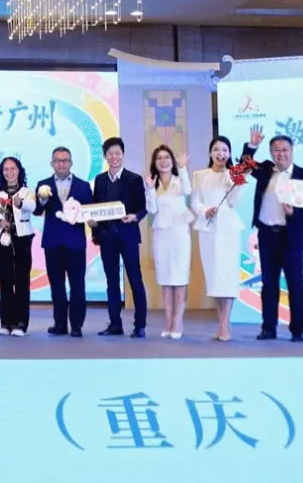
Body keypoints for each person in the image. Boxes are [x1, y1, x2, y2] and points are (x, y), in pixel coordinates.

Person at [238, 129, 303, 342]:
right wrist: (252, 145)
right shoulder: (265, 170)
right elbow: (243, 165)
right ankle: (268, 328)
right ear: (270, 152)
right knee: (269, 285)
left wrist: (296, 211)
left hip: (292, 237)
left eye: (285, 149)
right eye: (276, 150)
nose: (281, 154)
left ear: (292, 151)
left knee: (295, 284)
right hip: (267, 235)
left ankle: (297, 330)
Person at [187, 137, 249, 342]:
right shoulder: (200, 175)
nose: (220, 153)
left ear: (229, 154)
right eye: (216, 149)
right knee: (214, 276)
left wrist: (238, 183)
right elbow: (195, 201)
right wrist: (204, 210)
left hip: (228, 229)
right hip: (208, 228)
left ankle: (224, 324)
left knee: (227, 276)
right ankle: (222, 321)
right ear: (210, 153)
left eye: (224, 150)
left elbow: (233, 203)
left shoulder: (233, 174)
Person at [91, 136, 149, 337]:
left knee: (135, 279)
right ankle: (115, 324)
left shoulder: (134, 179)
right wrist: (94, 228)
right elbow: (95, 208)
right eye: (110, 153)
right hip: (107, 238)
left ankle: (140, 325)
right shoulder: (100, 180)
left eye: (118, 153)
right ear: (105, 156)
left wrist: (134, 216)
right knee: (111, 282)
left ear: (123, 155)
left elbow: (143, 208)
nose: (114, 157)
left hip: (128, 236)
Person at [37, 145, 92, 337]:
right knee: (56, 285)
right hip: (52, 243)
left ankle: (76, 325)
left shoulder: (83, 186)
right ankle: (60, 324)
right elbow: (37, 210)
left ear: (71, 163)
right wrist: (42, 201)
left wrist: (93, 223)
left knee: (77, 285)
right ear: (52, 163)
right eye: (58, 160)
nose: (61, 163)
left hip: (75, 243)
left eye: (65, 160)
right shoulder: (43, 185)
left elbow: (90, 212)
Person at [148, 144, 192, 339]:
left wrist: (182, 168)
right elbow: (151, 210)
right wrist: (150, 189)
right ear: (154, 163)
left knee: (180, 279)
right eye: (159, 158)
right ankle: (168, 321)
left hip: (180, 233)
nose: (163, 161)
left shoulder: (179, 179)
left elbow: (188, 190)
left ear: (172, 161)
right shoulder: (153, 182)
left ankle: (178, 321)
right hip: (161, 234)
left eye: (167, 157)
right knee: (165, 279)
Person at [0, 157, 36, 336]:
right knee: (5, 281)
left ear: (19, 171)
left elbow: (33, 207)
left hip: (22, 239)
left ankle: (21, 323)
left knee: (22, 281)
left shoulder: (27, 192)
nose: (9, 172)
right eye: (6, 169)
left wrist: (21, 204)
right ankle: (6, 322)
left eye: (13, 168)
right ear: (2, 173)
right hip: (1, 240)